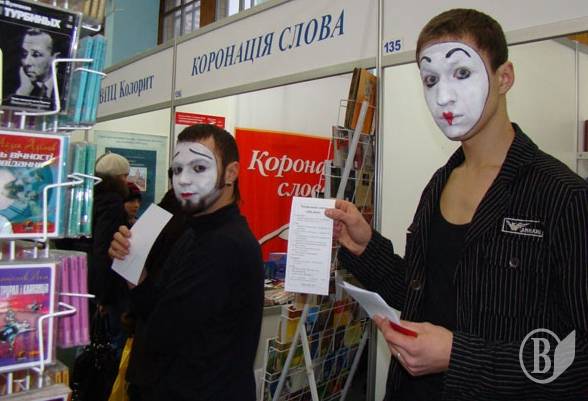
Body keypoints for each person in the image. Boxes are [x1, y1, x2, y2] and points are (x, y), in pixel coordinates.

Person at [325, 9, 588, 401]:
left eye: (462, 73)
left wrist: (460, 357)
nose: (442, 96)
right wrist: (366, 249)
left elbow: (578, 357)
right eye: (430, 79)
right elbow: (421, 294)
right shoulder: (439, 184)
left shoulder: (563, 196)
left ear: (504, 77)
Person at [109, 124, 264, 401]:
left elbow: (162, 333)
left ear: (231, 173)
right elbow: (154, 308)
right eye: (178, 169)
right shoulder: (196, 231)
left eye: (199, 168)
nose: (184, 180)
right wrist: (130, 262)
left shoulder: (224, 244)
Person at [92, 152, 131, 358]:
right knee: (115, 340)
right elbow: (104, 249)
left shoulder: (92, 199)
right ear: (118, 177)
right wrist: (105, 297)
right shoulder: (113, 203)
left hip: (92, 281)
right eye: (125, 176)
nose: (127, 180)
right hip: (110, 285)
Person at [15, 28, 59, 99]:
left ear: (55, 58)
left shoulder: (66, 83)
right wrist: (24, 91)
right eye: (24, 54)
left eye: (36, 55)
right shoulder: (13, 83)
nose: (26, 62)